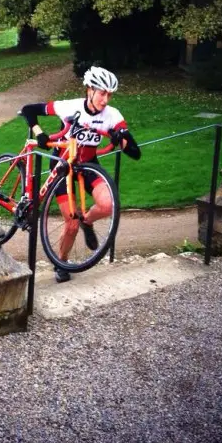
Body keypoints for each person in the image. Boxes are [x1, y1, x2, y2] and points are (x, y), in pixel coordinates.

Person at [21, 65, 141, 283]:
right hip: (62, 167)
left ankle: (88, 221)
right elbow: (29, 110)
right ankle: (62, 262)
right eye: (102, 93)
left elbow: (135, 153)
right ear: (89, 90)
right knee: (71, 224)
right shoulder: (70, 107)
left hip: (88, 166)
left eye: (109, 94)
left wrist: (119, 139)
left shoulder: (112, 115)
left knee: (108, 205)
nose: (105, 99)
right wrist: (40, 134)